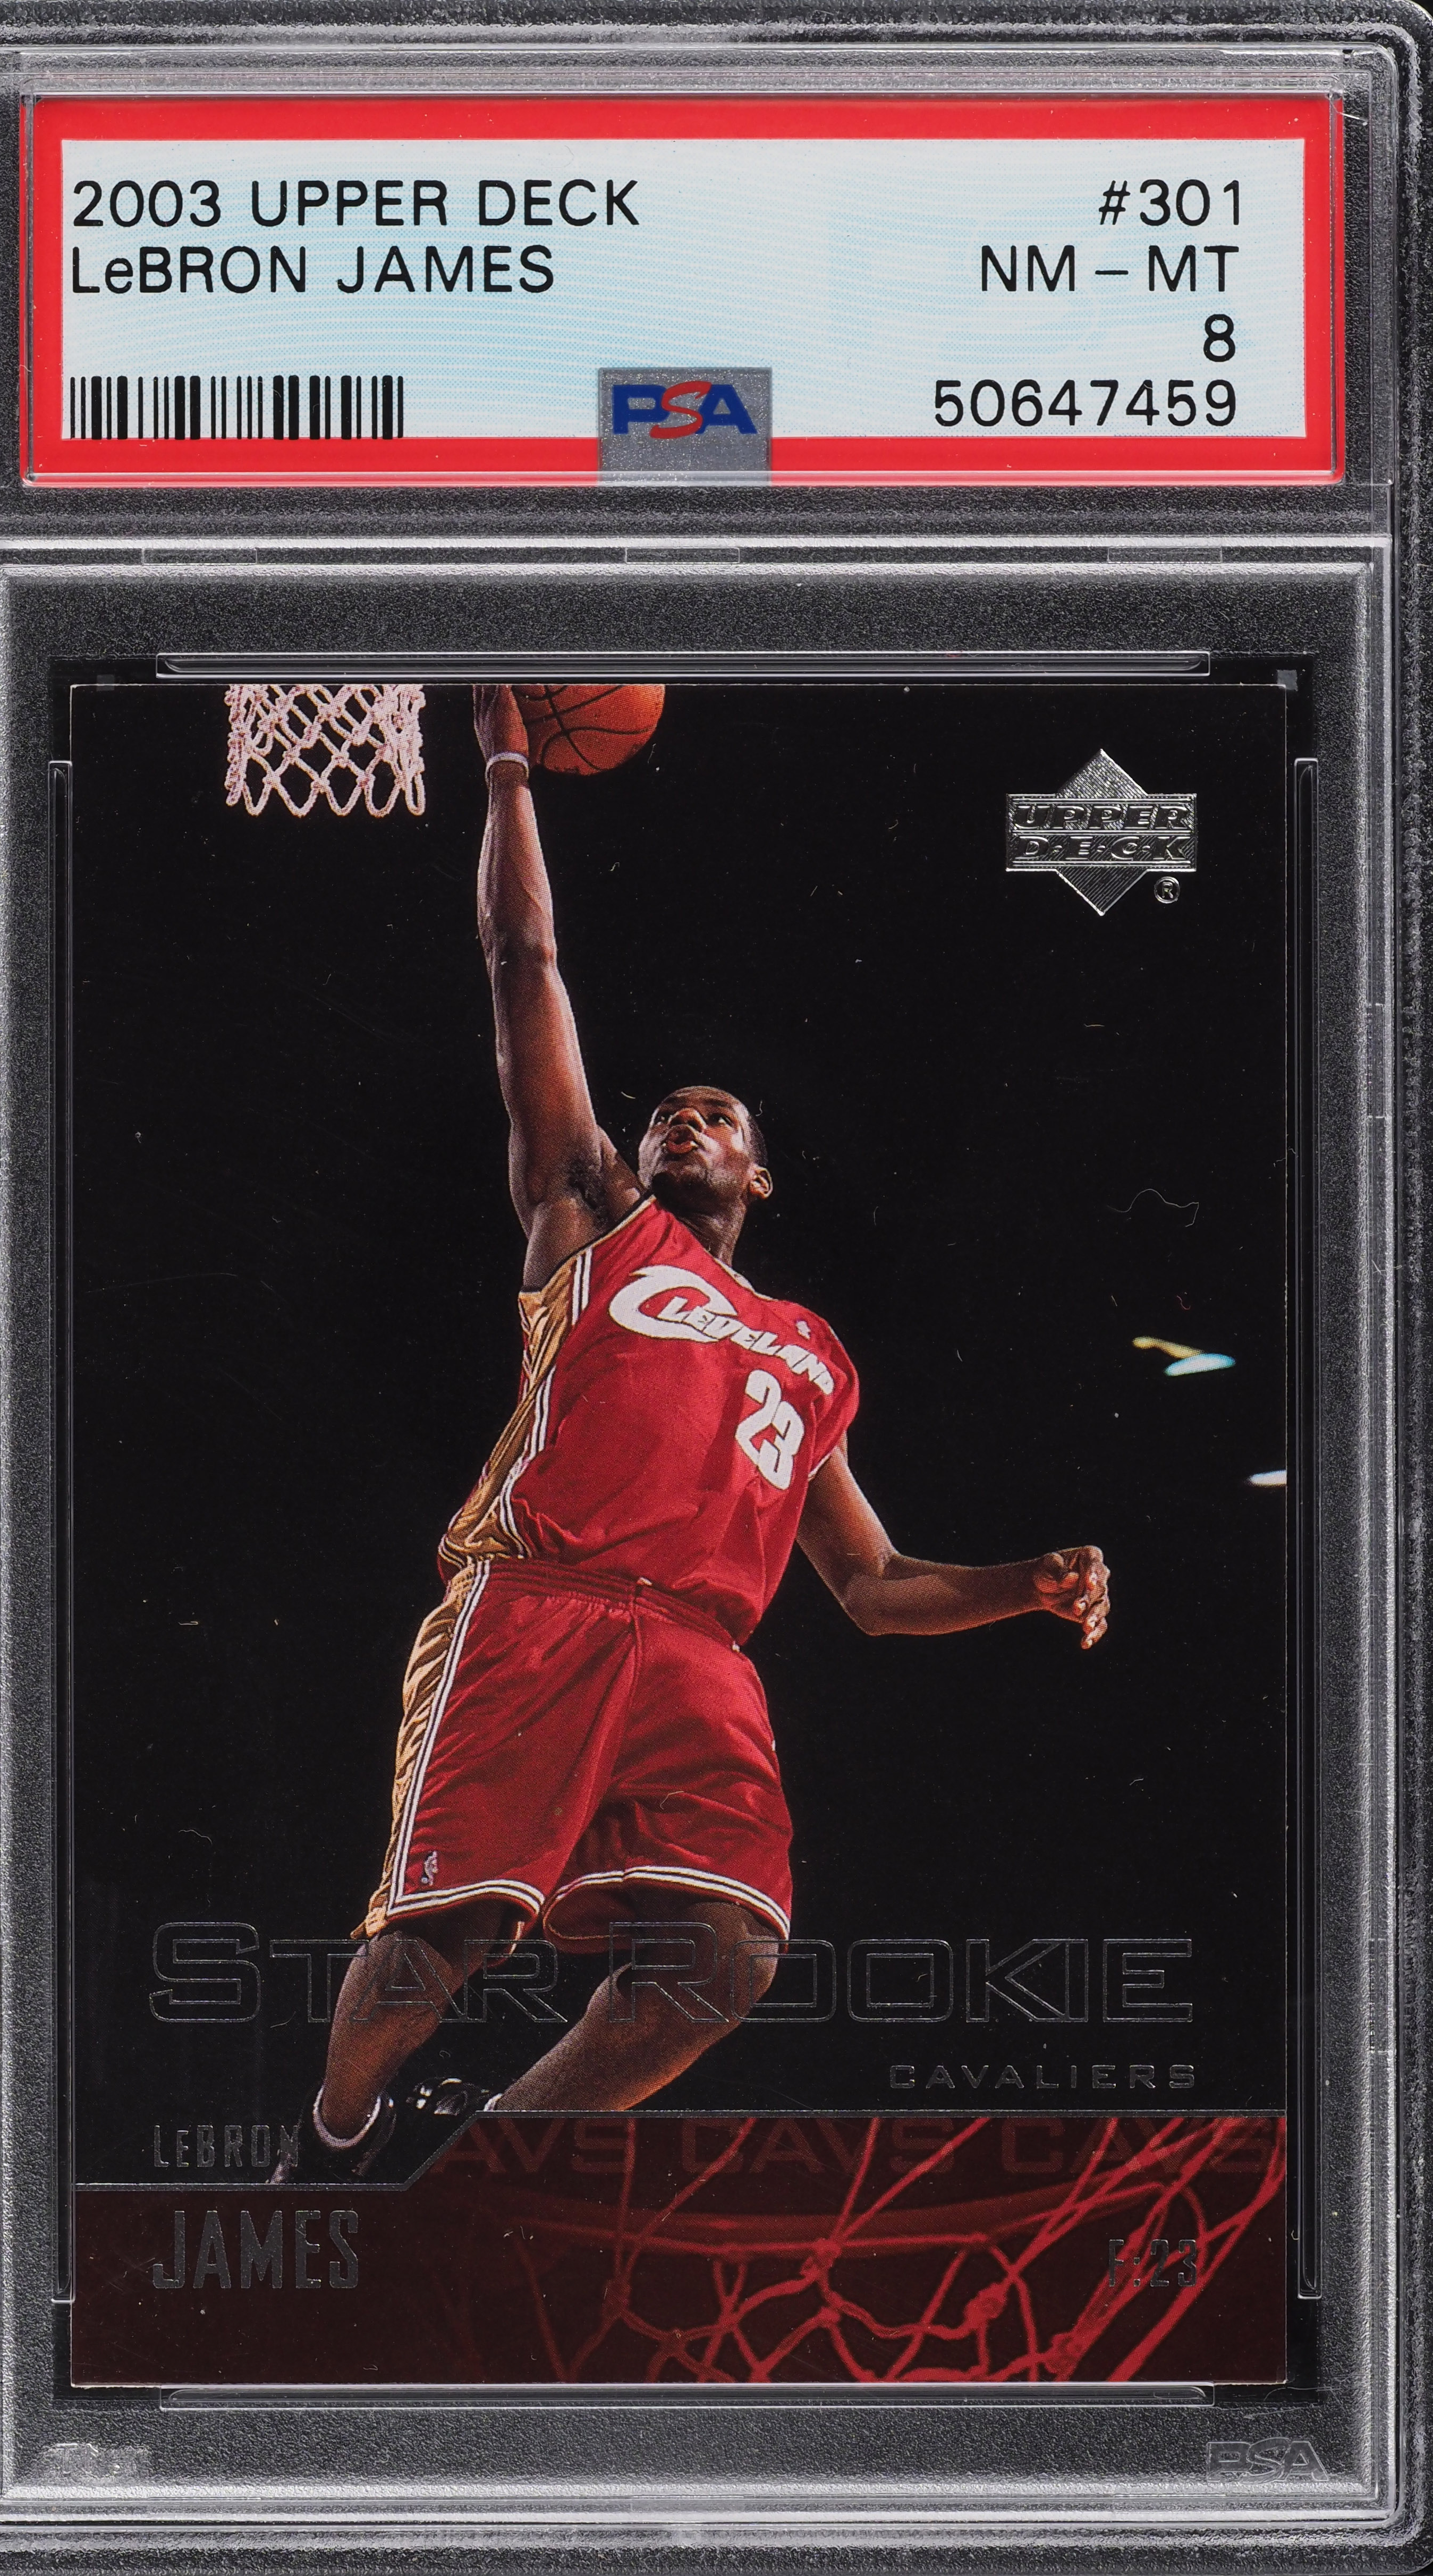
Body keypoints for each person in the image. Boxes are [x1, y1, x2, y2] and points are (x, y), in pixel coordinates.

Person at [281, 684, 1110, 2182]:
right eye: (667, 1110)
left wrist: (1022, 1585)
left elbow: (873, 1586)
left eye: (716, 1115)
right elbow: (522, 961)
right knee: (440, 1940)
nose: (683, 1120)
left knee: (725, 1953)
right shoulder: (596, 1218)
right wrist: (511, 769)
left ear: (762, 1175)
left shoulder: (812, 1349)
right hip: (540, 1602)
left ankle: (475, 2184)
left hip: (700, 1655)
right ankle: (328, 2153)